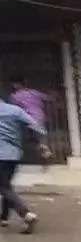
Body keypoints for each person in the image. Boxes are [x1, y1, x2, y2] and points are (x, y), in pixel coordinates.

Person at [0, 98, 48, 233]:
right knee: (6, 185)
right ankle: (3, 217)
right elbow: (37, 126)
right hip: (13, 154)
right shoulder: (15, 110)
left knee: (3, 186)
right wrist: (40, 142)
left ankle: (26, 214)